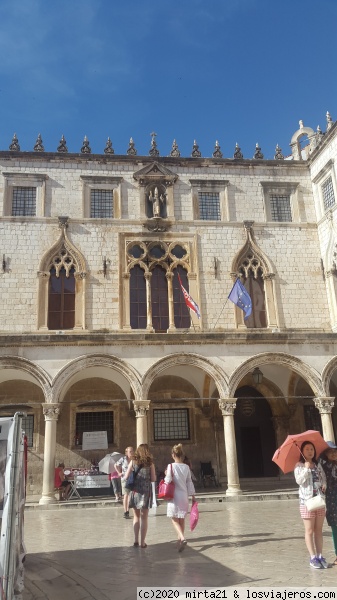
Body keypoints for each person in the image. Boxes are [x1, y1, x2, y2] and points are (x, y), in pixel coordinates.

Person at [294, 441, 327, 569]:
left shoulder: (318, 465)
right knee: (309, 530)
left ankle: (319, 555)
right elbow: (299, 481)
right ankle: (312, 557)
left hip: (319, 500)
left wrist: (324, 485)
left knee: (318, 530)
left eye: (312, 449)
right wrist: (306, 469)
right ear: (302, 451)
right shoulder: (299, 465)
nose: (310, 451)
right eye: (307, 449)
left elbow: (323, 478)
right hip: (306, 502)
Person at [124, 443, 156, 548]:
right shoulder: (150, 463)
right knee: (144, 518)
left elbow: (126, 476)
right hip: (145, 492)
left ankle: (135, 540)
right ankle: (143, 542)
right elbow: (153, 479)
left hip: (135, 491)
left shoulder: (133, 461)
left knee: (136, 517)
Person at [165, 443, 196, 552]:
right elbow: (189, 482)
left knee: (174, 519)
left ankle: (182, 538)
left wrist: (166, 475)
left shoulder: (171, 466)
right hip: (184, 496)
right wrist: (193, 495)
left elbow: (167, 480)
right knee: (181, 519)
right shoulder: (186, 467)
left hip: (174, 495)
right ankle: (179, 541)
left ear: (173, 454)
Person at [319, 441, 337, 566]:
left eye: (335, 451)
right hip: (331, 500)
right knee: (335, 527)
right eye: (331, 451)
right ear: (325, 453)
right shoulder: (322, 466)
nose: (334, 453)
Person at [115, 446, 134, 518]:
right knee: (126, 495)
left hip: (132, 478)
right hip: (124, 479)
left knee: (131, 495)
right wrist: (119, 473)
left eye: (132, 451)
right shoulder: (123, 459)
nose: (131, 453)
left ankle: (129, 509)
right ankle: (126, 511)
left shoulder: (134, 459)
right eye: (130, 451)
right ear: (126, 452)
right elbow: (115, 465)